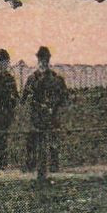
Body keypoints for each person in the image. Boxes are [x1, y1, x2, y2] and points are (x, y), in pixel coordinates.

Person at [23, 46, 69, 174]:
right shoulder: (32, 79)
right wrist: (35, 104)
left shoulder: (56, 79)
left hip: (51, 115)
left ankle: (54, 166)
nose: (43, 62)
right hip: (36, 116)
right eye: (41, 59)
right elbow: (25, 98)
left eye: (45, 59)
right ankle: (30, 166)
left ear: (49, 60)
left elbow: (64, 97)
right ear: (38, 60)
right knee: (32, 141)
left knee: (53, 140)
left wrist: (53, 106)